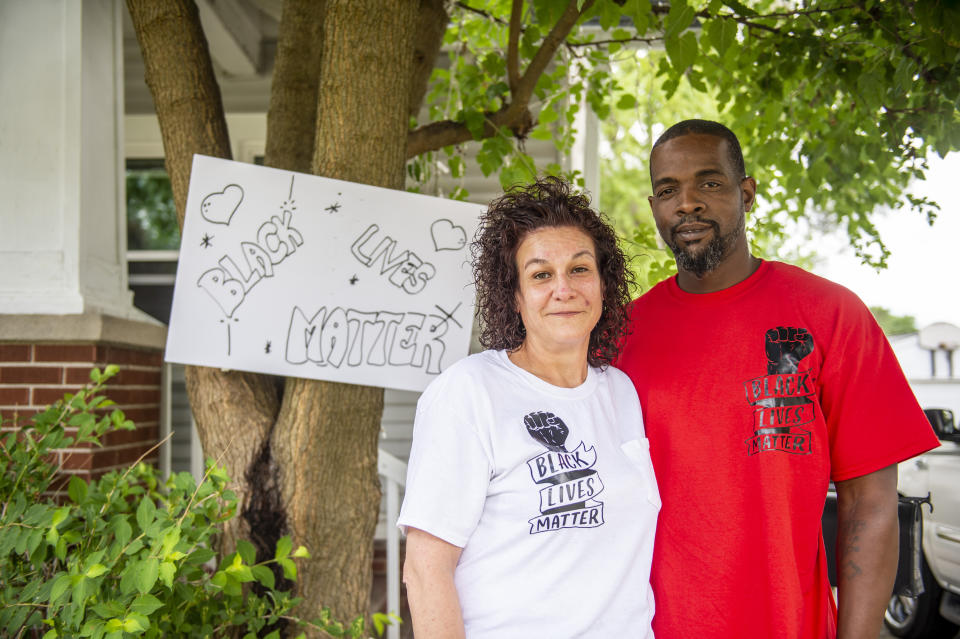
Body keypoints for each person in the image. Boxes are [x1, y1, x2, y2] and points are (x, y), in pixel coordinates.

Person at [615, 119, 941, 639]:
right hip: (644, 628)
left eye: (710, 183)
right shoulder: (621, 336)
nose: (688, 203)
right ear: (654, 206)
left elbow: (870, 505)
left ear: (747, 194)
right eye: (667, 190)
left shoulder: (831, 315)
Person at [398, 176, 659, 638]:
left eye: (580, 269)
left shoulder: (621, 393)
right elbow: (425, 570)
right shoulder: (469, 392)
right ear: (515, 296)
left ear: (603, 284)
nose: (564, 288)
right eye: (541, 274)